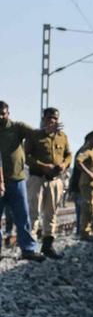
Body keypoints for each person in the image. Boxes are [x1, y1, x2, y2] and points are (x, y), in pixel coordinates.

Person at [26, 107, 72, 259]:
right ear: (44, 119)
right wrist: (42, 166)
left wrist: (64, 165)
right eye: (49, 118)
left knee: (51, 213)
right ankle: (30, 247)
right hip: (37, 178)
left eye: (55, 119)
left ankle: (47, 245)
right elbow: (26, 156)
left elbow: (68, 155)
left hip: (55, 180)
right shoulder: (34, 136)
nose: (52, 121)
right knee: (34, 212)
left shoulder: (62, 137)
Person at [0, 101, 43, 262]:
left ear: (8, 113)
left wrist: (47, 131)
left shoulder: (17, 127)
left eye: (2, 113)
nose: (0, 117)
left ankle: (28, 249)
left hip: (16, 180)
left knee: (23, 216)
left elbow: (36, 134)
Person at [73, 131, 93, 240]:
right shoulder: (86, 151)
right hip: (88, 184)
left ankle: (90, 231)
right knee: (88, 208)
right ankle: (85, 232)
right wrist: (89, 173)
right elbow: (78, 161)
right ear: (90, 139)